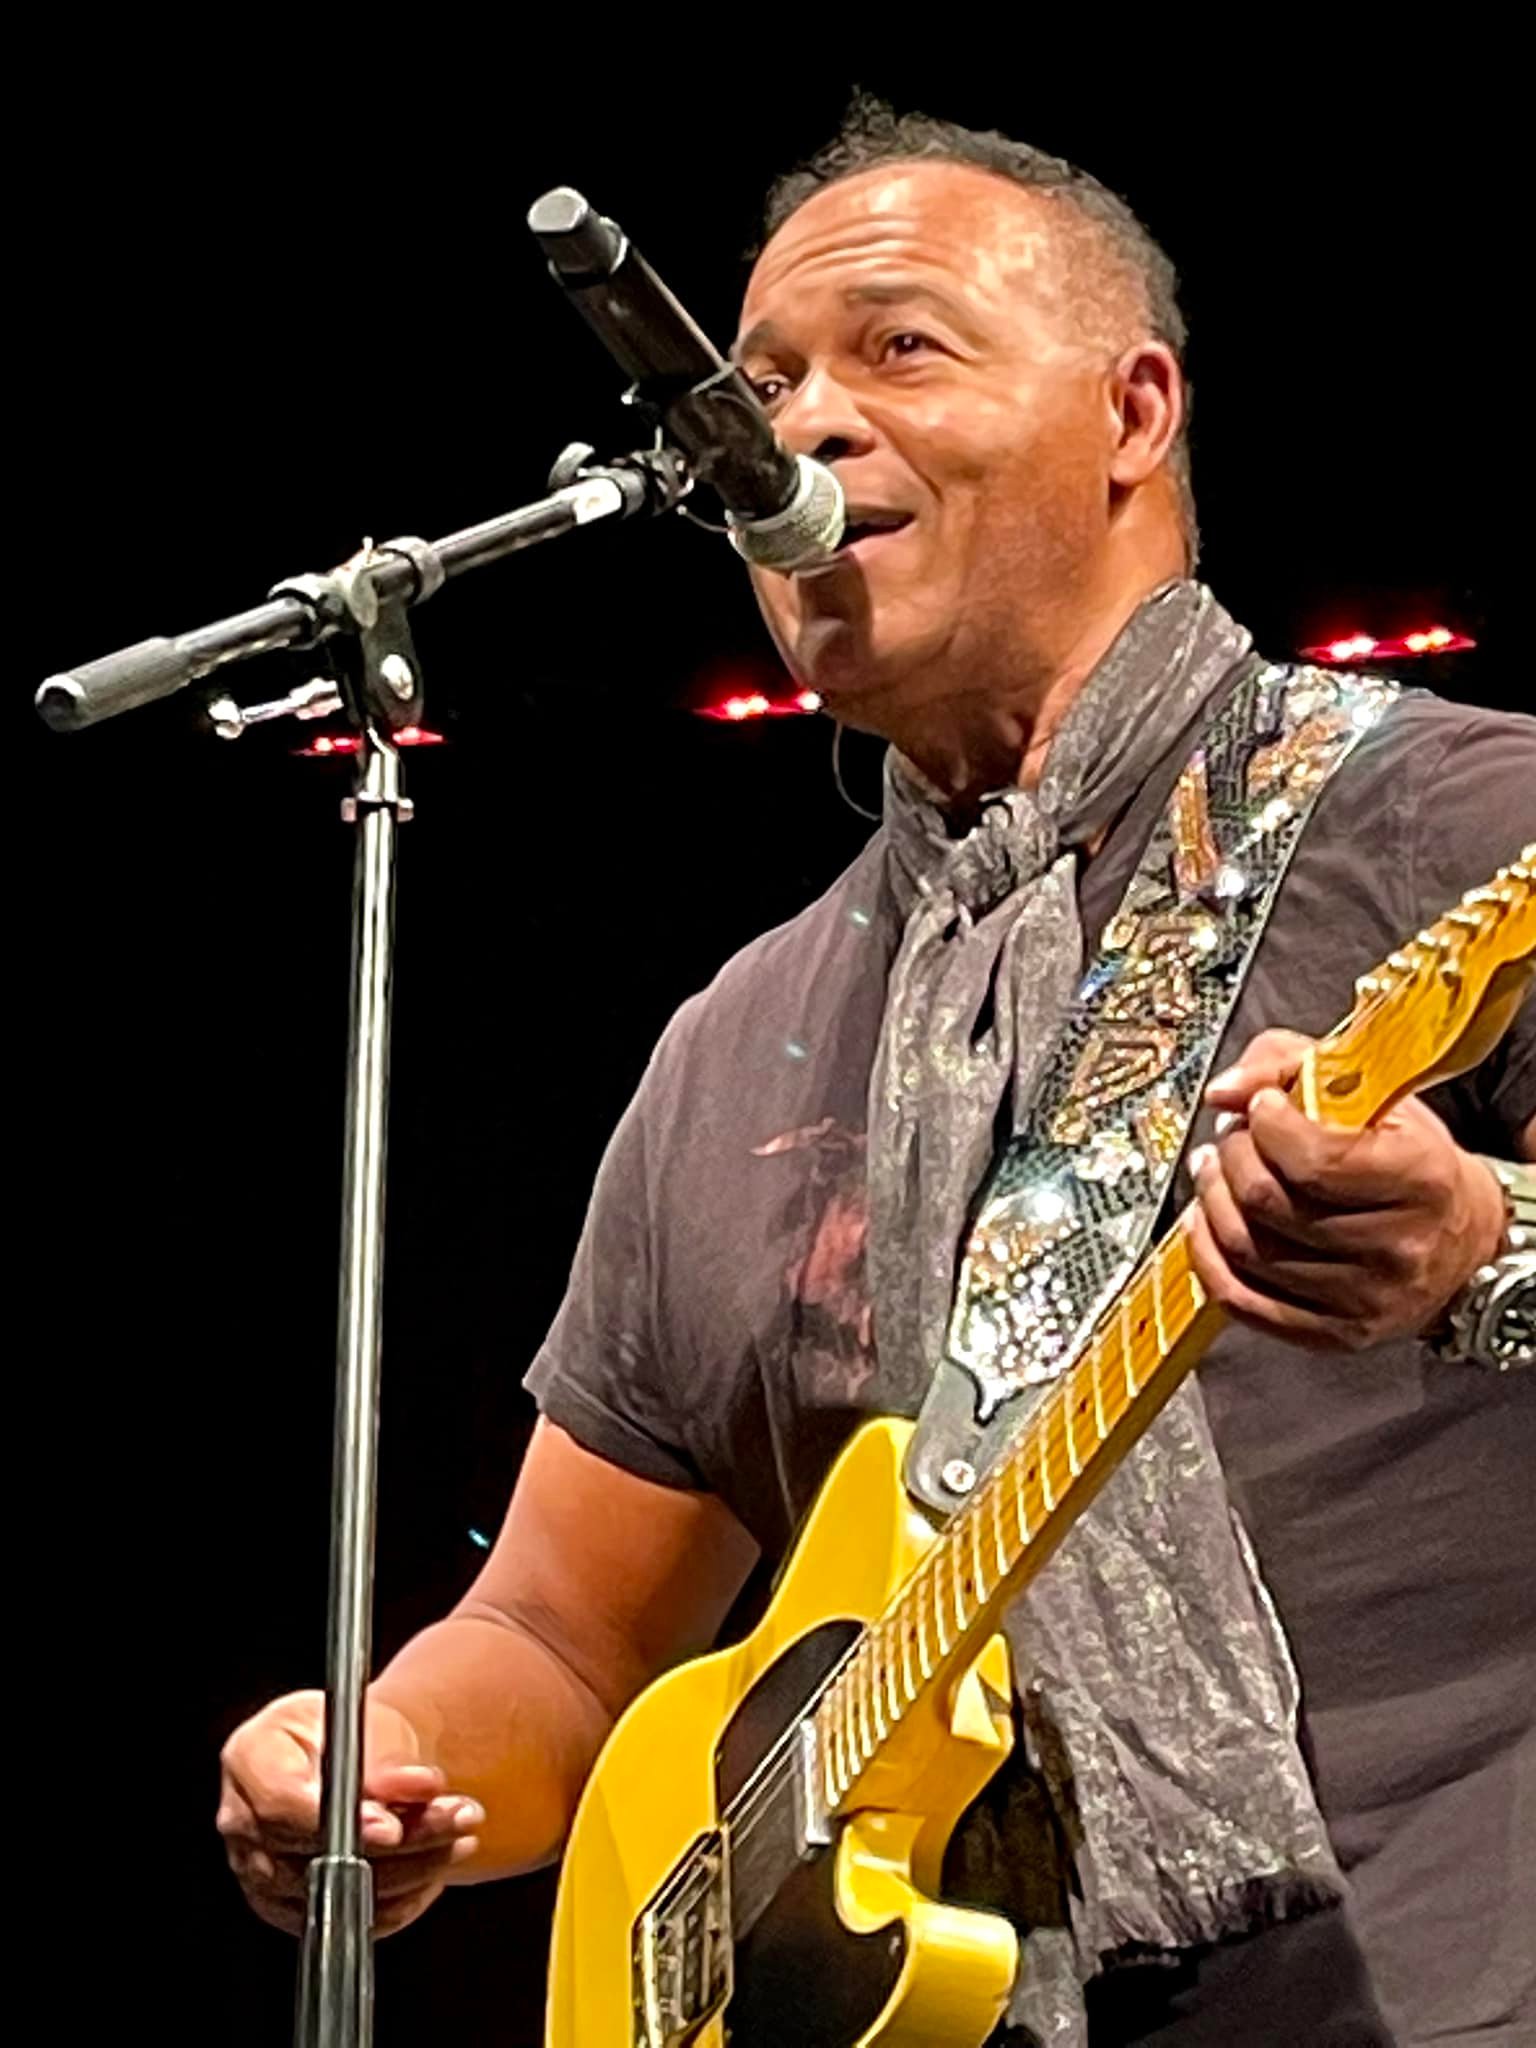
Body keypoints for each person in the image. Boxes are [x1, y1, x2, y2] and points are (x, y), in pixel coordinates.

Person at [219, 101, 1535, 2047]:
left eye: (900, 348)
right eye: (758, 391)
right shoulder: (731, 1042)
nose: (807, 428)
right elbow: (565, 1636)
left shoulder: (1463, 823)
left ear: (1134, 413)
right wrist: (389, 1755)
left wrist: (1487, 1246)